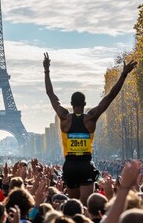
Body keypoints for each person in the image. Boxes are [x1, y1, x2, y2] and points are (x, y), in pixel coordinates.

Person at [43, 52, 137, 205]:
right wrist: (123, 74)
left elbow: (50, 93)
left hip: (70, 165)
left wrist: (46, 70)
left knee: (73, 205)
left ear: (71, 104)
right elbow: (111, 96)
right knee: (87, 205)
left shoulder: (64, 118)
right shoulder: (91, 118)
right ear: (85, 104)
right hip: (86, 164)